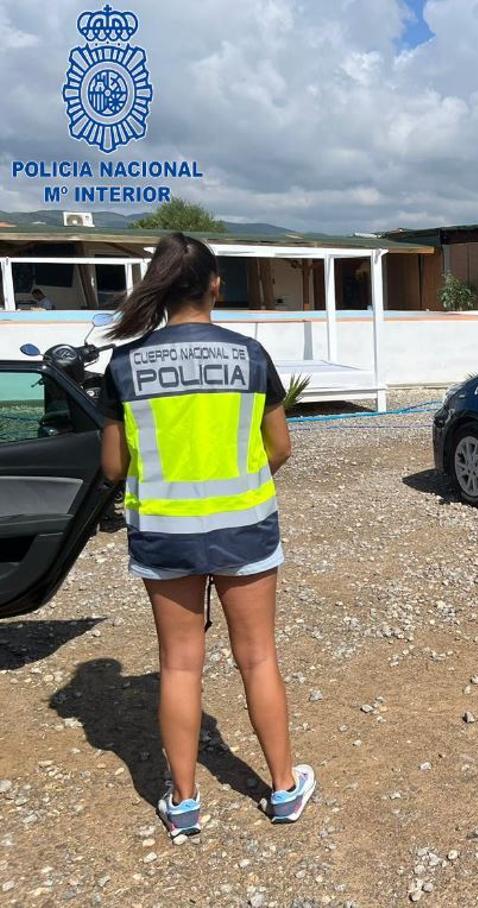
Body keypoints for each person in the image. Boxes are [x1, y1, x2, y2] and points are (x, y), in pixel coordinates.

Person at [98, 232, 315, 837]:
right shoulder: (250, 357)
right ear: (216, 285)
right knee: (258, 657)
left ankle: (185, 804)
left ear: (160, 288)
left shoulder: (124, 365)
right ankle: (283, 790)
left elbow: (114, 468)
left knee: (179, 666)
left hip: (165, 535)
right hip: (244, 530)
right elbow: (280, 448)